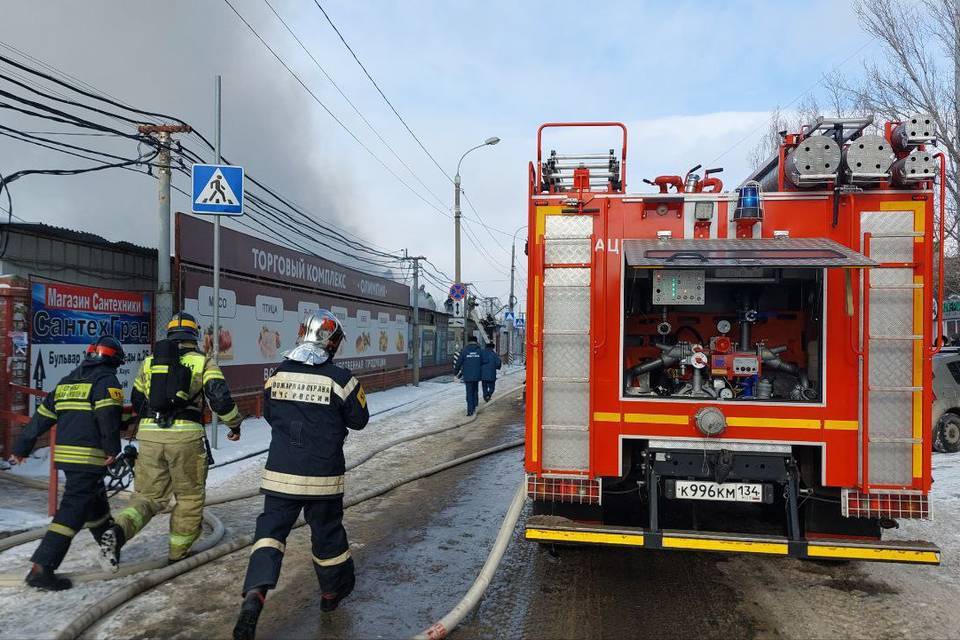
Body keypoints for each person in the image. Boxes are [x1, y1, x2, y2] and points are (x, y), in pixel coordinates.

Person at [233, 310, 369, 640]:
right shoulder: (341, 379)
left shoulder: (276, 374)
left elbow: (270, 413)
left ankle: (255, 595)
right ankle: (330, 595)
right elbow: (359, 419)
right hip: (323, 476)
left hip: (280, 474)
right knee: (327, 534)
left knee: (269, 533)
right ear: (333, 342)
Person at [100, 312, 242, 567]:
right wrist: (234, 423)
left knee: (146, 497)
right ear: (193, 336)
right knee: (188, 498)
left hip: (150, 436)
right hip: (186, 438)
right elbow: (220, 399)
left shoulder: (150, 362)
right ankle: (178, 553)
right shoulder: (203, 362)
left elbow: (139, 401)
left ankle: (117, 531)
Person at [9, 336, 126, 590]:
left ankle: (110, 546)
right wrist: (112, 449)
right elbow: (107, 417)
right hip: (89, 457)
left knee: (94, 504)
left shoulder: (67, 382)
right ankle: (42, 567)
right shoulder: (106, 380)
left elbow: (41, 417)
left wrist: (21, 447)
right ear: (113, 360)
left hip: (66, 457)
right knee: (71, 512)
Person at [453, 335, 485, 416]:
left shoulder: (464, 351)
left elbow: (458, 363)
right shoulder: (480, 351)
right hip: (477, 375)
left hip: (467, 375)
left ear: (468, 342)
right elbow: (484, 362)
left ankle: (470, 410)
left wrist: (456, 372)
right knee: (475, 391)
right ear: (476, 341)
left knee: (469, 392)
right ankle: (474, 406)